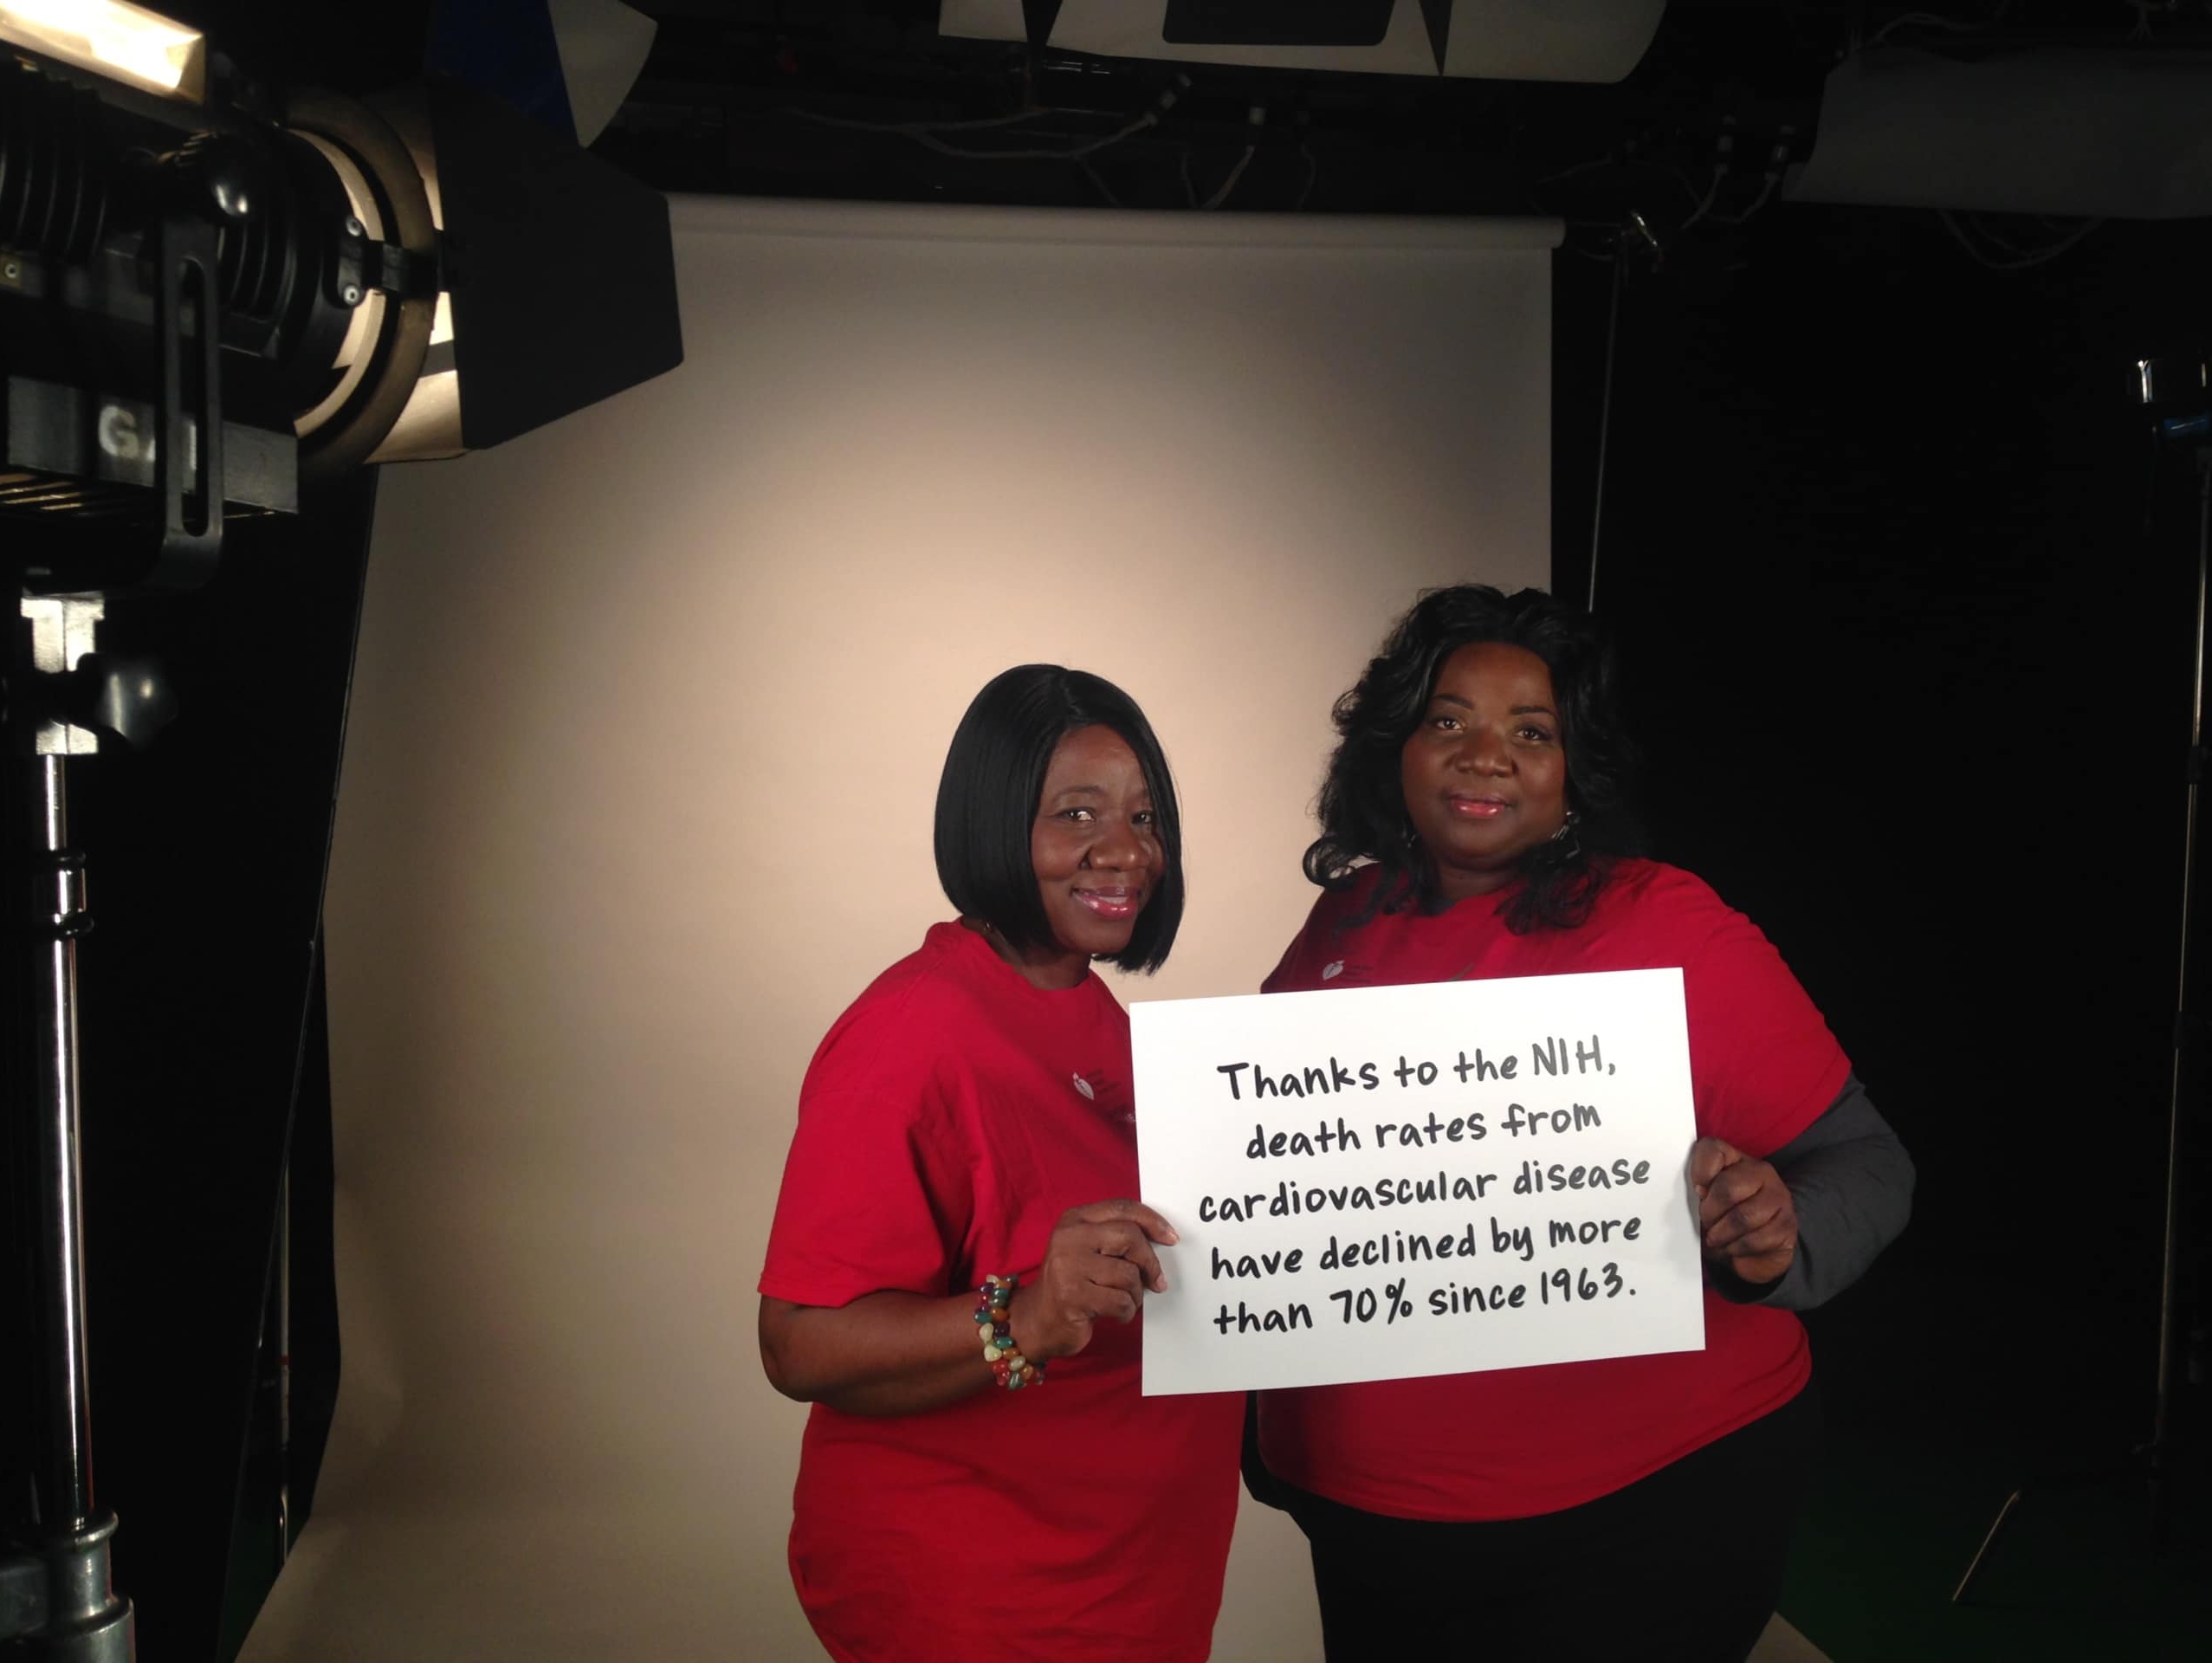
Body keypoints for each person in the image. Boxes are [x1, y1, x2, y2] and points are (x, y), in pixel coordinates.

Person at [1252, 585, 1915, 1662]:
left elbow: (1869, 1162)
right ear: (1395, 747)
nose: (1485, 756)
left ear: (1573, 774)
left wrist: (1776, 1232)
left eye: (1531, 731)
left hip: (1643, 1519)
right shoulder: (1345, 916)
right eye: (1448, 719)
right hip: (1372, 1524)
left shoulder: (1664, 920)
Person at [757, 664, 1242, 1663]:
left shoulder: (1092, 1015)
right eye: (1076, 815)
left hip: (1131, 1587)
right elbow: (799, 1343)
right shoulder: (912, 1031)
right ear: (991, 824)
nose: (1124, 851)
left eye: (1145, 819)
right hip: (985, 1602)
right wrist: (1025, 1313)